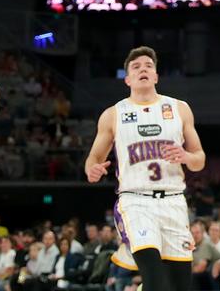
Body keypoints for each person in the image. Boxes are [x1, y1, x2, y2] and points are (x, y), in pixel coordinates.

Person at [85, 46, 205, 291]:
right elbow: (93, 158)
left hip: (173, 201)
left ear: (156, 76)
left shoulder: (179, 109)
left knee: (180, 286)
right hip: (135, 201)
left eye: (149, 66)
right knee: (154, 278)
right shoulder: (113, 115)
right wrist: (93, 170)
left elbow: (199, 159)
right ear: (127, 79)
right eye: (136, 66)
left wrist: (185, 156)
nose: (143, 69)